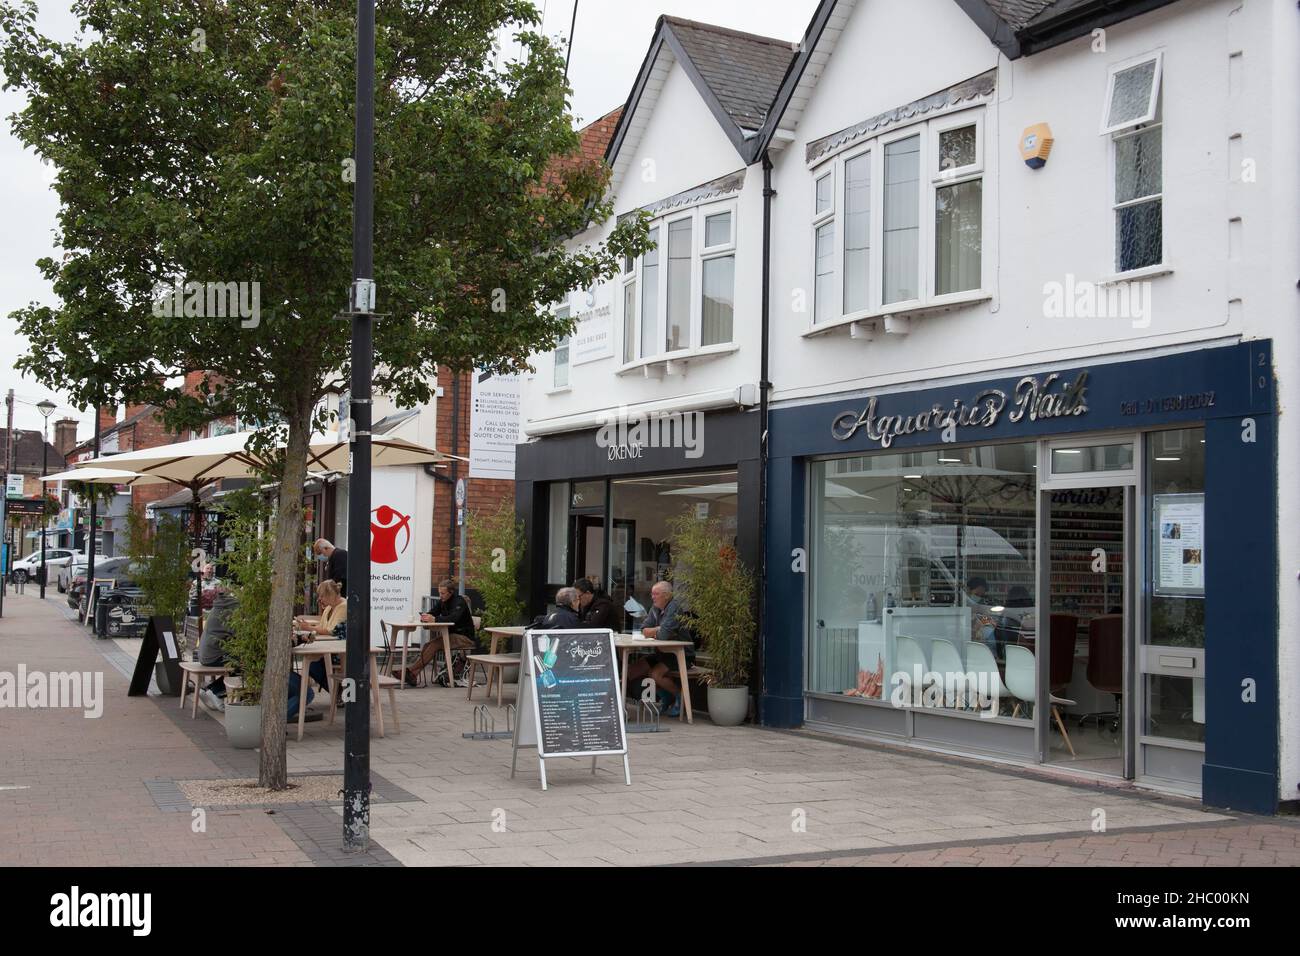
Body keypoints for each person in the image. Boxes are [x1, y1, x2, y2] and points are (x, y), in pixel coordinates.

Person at [391, 579, 476, 688]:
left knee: (435, 645)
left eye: (443, 593)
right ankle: (413, 674)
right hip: (451, 636)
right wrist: (426, 616)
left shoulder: (459, 602)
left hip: (465, 637)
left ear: (451, 592)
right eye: (439, 593)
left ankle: (410, 671)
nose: (440, 596)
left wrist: (435, 619)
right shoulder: (443, 601)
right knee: (428, 645)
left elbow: (453, 618)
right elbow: (433, 612)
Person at [286, 580, 347, 721]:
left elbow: (331, 631)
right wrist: (310, 629)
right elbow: (322, 627)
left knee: (313, 665)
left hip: (338, 652)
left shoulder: (343, 607)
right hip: (329, 647)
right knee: (313, 665)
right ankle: (335, 692)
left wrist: (309, 628)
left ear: (330, 595)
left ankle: (337, 692)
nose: (319, 599)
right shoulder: (329, 608)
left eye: (322, 596)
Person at [626, 581, 687, 717]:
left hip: (679, 655)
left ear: (667, 595)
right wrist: (658, 629)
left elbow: (664, 635)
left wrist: (656, 630)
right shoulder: (655, 608)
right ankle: (667, 697)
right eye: (652, 594)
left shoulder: (674, 608)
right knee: (632, 670)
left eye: (656, 594)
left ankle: (680, 698)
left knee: (655, 674)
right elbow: (643, 629)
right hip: (661, 653)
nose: (652, 597)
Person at [197, 588, 238, 712]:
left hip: (206, 654)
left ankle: (211, 690)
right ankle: (216, 691)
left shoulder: (219, 608)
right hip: (213, 656)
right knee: (245, 665)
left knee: (242, 662)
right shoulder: (230, 610)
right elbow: (239, 634)